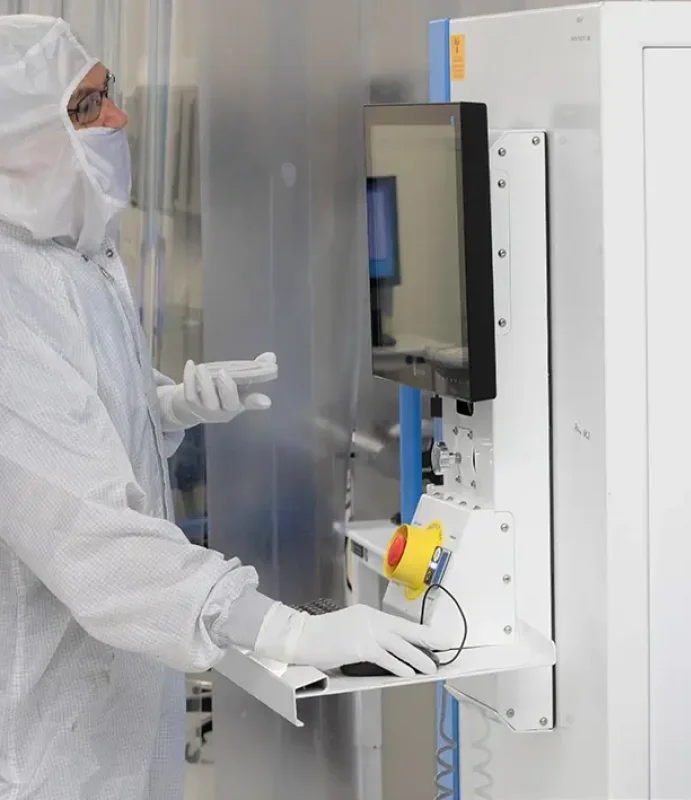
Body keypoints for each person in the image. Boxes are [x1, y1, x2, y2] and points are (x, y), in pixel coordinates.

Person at [0, 15, 454, 800]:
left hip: (114, 710)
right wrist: (288, 631)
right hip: (51, 740)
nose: (119, 118)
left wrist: (169, 408)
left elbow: (75, 431)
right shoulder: (11, 295)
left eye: (109, 93)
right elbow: (94, 540)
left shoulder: (78, 252)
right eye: (85, 107)